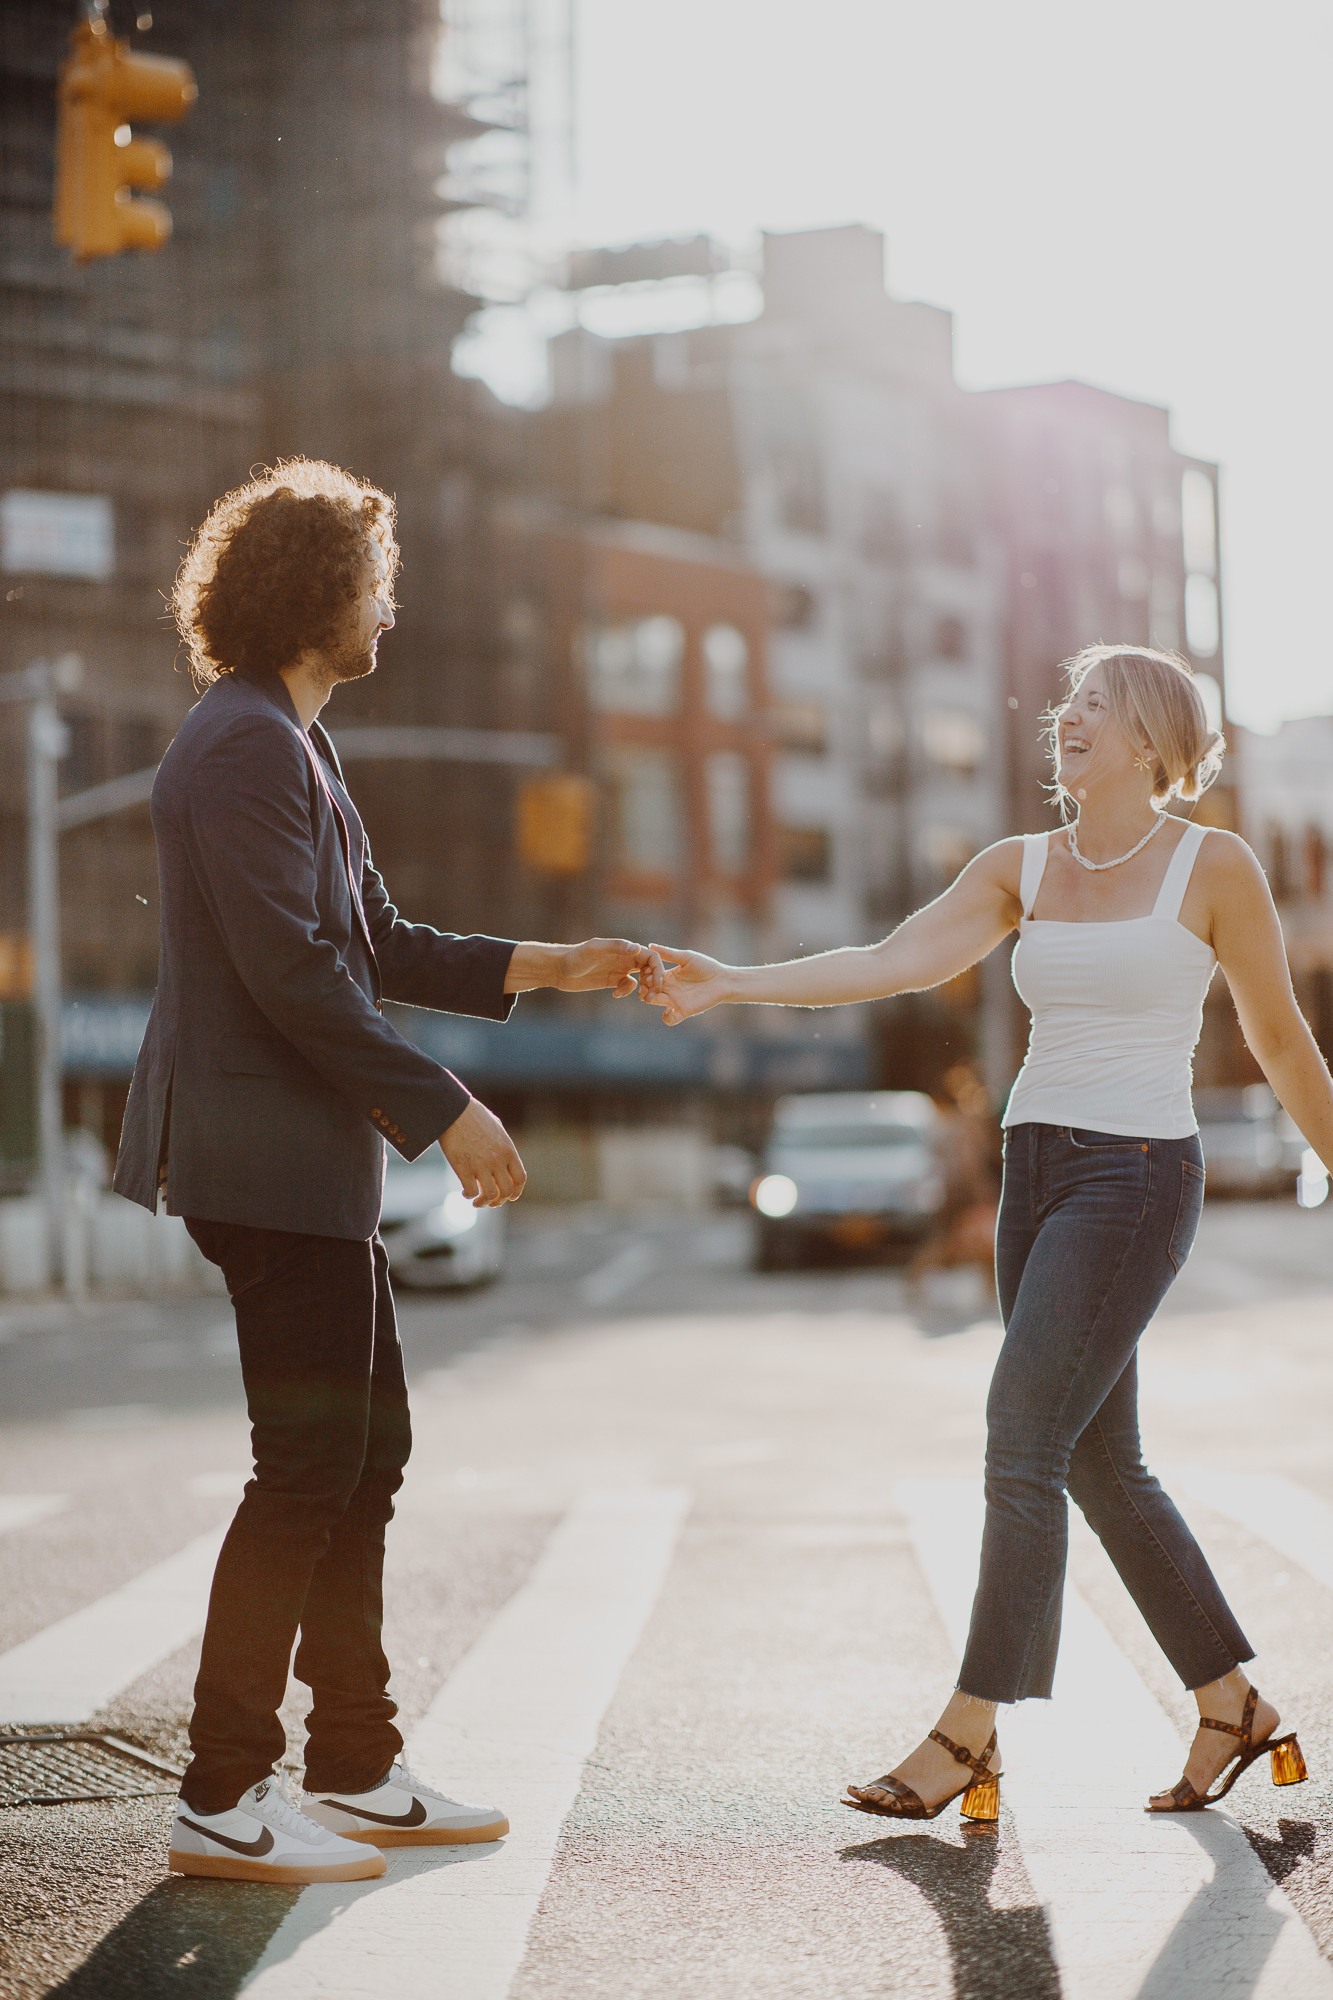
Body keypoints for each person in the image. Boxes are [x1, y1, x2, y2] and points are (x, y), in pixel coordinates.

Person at [642, 645, 1332, 1822]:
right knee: (1098, 1460)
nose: (1066, 715)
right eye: (1067, 700)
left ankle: (969, 1728)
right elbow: (886, 961)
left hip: (1137, 1174)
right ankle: (1230, 1702)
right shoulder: (1020, 866)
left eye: (1095, 703)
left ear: (1153, 739)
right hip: (1036, 1171)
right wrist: (728, 984)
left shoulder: (1211, 866)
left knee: (1019, 1434)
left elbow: (1276, 1037)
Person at [114, 458, 653, 1884]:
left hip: (307, 1168)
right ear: (311, 595)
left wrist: (556, 966)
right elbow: (292, 973)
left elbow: (380, 941)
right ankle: (223, 1793)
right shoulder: (239, 746)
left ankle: (352, 1763)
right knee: (304, 1469)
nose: (387, 610)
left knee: (367, 1456)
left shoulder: (295, 743)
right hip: (265, 1160)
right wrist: (448, 1112)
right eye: (373, 582)